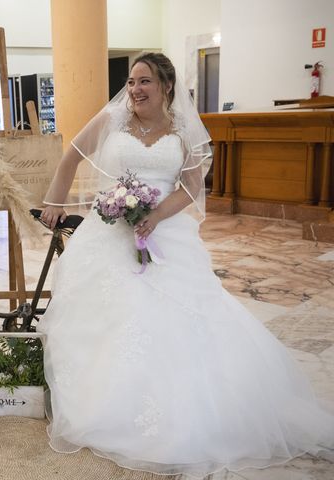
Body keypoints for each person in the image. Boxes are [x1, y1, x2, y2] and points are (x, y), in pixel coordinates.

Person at [38, 53, 334, 477]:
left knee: (180, 318)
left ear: (166, 88)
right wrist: (53, 202)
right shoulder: (112, 121)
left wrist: (154, 216)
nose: (135, 90)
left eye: (145, 82)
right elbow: (71, 156)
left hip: (165, 236)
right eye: (132, 81)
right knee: (108, 318)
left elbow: (192, 188)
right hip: (108, 236)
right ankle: (104, 398)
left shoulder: (183, 133)